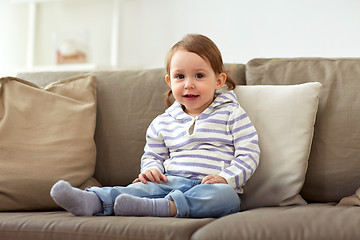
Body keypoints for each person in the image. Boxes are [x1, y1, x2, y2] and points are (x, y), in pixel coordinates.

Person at [50, 34, 260, 218]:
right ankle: (93, 200)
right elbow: (154, 155)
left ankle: (160, 208)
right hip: (168, 182)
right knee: (138, 188)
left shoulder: (232, 113)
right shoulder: (162, 122)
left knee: (226, 199)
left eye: (199, 75)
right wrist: (151, 170)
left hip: (210, 188)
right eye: (180, 76)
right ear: (169, 81)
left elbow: (248, 154)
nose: (188, 84)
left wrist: (226, 178)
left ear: (218, 81)